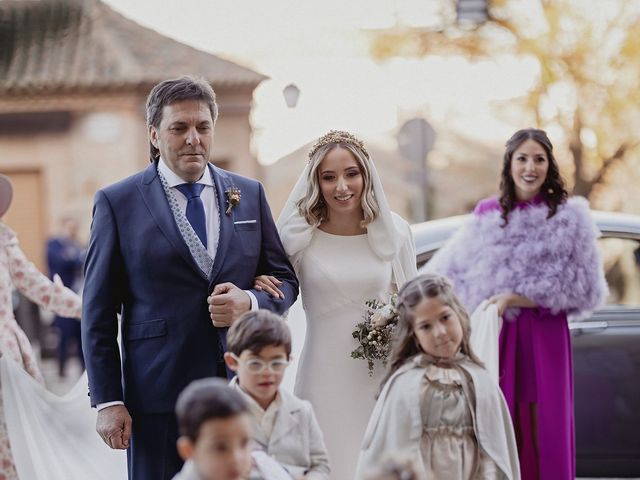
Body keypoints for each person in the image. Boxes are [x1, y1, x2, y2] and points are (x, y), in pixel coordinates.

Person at [82, 75, 299, 480]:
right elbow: (97, 312)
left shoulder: (248, 193)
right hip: (158, 395)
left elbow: (284, 279)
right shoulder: (118, 202)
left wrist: (250, 302)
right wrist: (108, 400)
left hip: (242, 388)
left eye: (202, 127)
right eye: (179, 128)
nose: (193, 139)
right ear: (154, 133)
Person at [425, 128, 607, 479]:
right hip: (499, 335)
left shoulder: (569, 217)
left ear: (549, 165)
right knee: (503, 424)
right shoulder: (488, 214)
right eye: (522, 158)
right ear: (509, 164)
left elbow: (582, 288)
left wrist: (515, 298)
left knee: (546, 424)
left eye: (539, 159)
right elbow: (454, 274)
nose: (530, 167)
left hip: (545, 336)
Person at [255, 130, 417, 479]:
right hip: (322, 374)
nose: (341, 186)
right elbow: (274, 288)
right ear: (316, 182)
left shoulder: (397, 232)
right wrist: (258, 284)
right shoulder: (297, 237)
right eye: (329, 177)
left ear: (366, 175)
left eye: (351, 174)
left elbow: (414, 306)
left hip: (379, 377)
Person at [356, 274, 520, 480]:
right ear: (414, 334)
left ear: (459, 315)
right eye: (426, 326)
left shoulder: (480, 380)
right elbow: (388, 455)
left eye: (445, 318)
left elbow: (497, 453)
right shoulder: (404, 384)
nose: (440, 332)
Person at [0, 174, 82, 478]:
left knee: (12, 445)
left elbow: (38, 286)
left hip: (4, 359)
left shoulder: (2, 241)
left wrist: (89, 310)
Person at [224, 310, 330, 479]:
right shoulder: (218, 412)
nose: (267, 372)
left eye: (277, 363)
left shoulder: (302, 410)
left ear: (289, 361)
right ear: (233, 362)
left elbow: (320, 465)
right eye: (255, 363)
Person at [172, 378, 254, 480]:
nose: (237, 459)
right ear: (188, 450)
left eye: (244, 443)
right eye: (220, 447)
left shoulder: (266, 471)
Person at [46, 216, 85, 377]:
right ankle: (61, 369)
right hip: (62, 296)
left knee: (81, 335)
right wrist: (77, 259)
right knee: (64, 334)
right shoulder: (54, 244)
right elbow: (61, 262)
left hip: (79, 295)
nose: (72, 231)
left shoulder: (78, 245)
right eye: (69, 228)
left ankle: (84, 370)